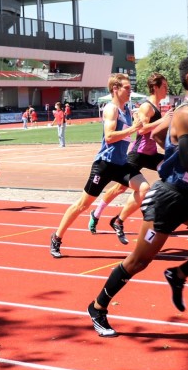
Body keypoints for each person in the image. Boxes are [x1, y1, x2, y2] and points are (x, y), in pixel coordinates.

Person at [85, 55, 188, 337]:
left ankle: (178, 274)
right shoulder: (186, 114)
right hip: (167, 199)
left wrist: (166, 145)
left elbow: (157, 136)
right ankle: (98, 306)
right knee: (138, 262)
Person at [49, 73, 144, 258]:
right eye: (127, 87)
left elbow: (127, 135)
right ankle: (57, 237)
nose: (130, 90)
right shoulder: (111, 109)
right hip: (104, 165)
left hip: (121, 164)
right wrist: (133, 129)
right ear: (115, 89)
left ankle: (119, 219)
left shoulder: (127, 109)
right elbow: (109, 137)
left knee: (144, 188)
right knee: (82, 205)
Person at [89, 73, 173, 244]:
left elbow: (157, 134)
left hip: (150, 154)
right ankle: (98, 213)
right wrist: (163, 120)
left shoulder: (158, 107)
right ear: (155, 87)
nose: (167, 89)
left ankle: (160, 211)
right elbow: (141, 130)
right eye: (164, 86)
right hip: (138, 153)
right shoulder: (147, 107)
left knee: (171, 171)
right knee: (120, 188)